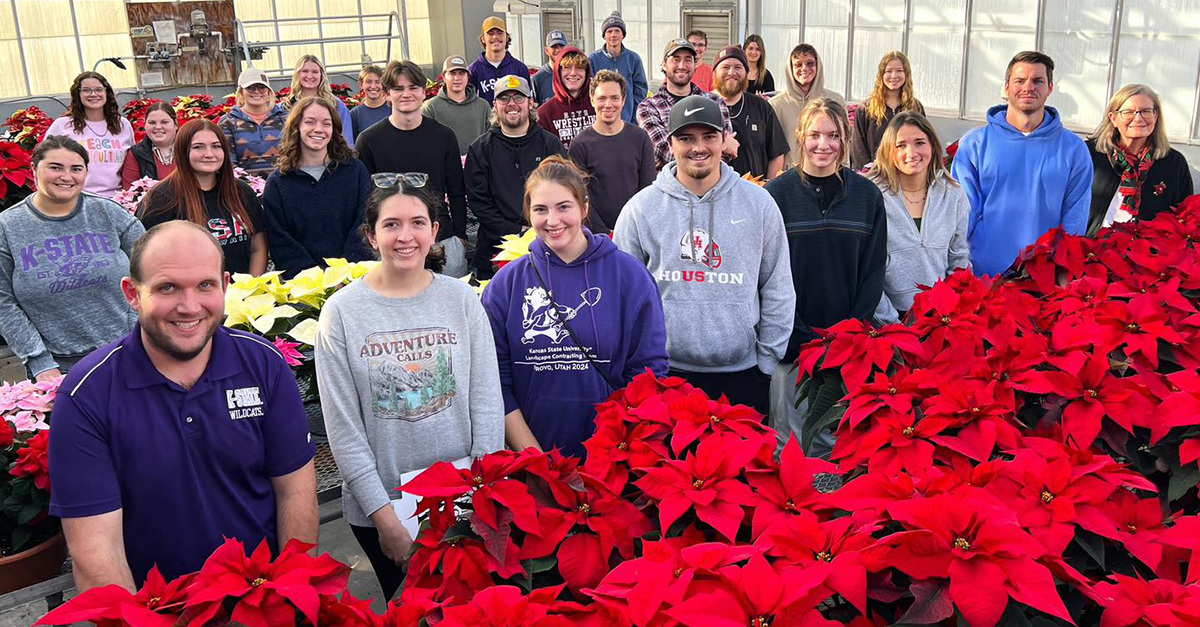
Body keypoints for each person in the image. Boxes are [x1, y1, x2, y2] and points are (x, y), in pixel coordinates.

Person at [48, 220, 318, 591]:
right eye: (167, 287)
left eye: (205, 285)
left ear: (225, 286)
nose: (189, 307)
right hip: (159, 610)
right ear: (132, 293)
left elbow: (296, 493)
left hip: (262, 599)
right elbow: (96, 551)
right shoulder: (87, 395)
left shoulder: (264, 364)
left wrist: (290, 596)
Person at [315, 182, 504, 600]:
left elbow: (487, 401)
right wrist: (385, 520)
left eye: (418, 223)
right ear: (371, 235)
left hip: (462, 501)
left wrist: (478, 495)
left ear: (434, 231)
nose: (406, 236)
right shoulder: (342, 312)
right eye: (392, 224)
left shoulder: (461, 300)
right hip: (384, 509)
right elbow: (343, 429)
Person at [614, 96, 794, 416]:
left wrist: (766, 363)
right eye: (686, 138)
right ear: (670, 143)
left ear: (724, 139)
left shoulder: (759, 205)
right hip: (667, 377)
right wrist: (640, 368)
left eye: (708, 136)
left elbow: (778, 286)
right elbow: (623, 298)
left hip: (743, 376)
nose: (698, 147)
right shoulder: (641, 210)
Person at [482, 157, 668, 458]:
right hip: (533, 459)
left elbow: (649, 370)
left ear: (583, 207)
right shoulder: (507, 283)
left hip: (614, 457)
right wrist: (540, 463)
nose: (552, 220)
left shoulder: (629, 275)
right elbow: (495, 383)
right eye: (540, 209)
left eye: (563, 207)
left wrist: (615, 451)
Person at [764, 98, 886, 454]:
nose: (823, 144)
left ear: (845, 139)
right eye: (815, 134)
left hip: (845, 347)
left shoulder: (866, 197)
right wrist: (795, 334)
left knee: (834, 440)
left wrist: (849, 334)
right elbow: (767, 273)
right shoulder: (776, 196)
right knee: (787, 442)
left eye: (833, 135)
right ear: (800, 136)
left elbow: (873, 271)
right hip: (790, 344)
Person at [0, 135, 144, 380]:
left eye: (76, 169)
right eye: (55, 167)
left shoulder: (108, 212)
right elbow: (3, 302)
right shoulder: (8, 227)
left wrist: (144, 331)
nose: (66, 177)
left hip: (132, 351)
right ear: (34, 169)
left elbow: (153, 270)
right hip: (59, 368)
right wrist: (40, 361)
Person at [951, 51, 1091, 276]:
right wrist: (957, 267)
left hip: (1043, 277)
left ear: (1050, 88)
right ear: (1006, 87)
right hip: (983, 273)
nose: (1028, 87)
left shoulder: (1074, 149)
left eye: (1038, 81)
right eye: (1019, 80)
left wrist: (1061, 271)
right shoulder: (975, 144)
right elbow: (962, 212)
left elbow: (1075, 217)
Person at [357, 61, 470, 278]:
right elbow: (365, 199)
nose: (406, 94)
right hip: (393, 241)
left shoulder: (443, 136)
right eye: (398, 89)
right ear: (387, 94)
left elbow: (456, 189)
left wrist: (459, 235)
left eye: (413, 88)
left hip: (441, 238)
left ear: (423, 93)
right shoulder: (369, 141)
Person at [866, 111, 969, 324]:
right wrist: (894, 324)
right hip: (887, 320)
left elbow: (958, 259)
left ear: (932, 145)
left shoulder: (953, 194)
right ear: (888, 151)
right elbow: (866, 272)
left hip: (938, 318)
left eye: (919, 142)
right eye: (901, 145)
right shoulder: (872, 195)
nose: (911, 152)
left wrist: (950, 314)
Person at [465, 75, 566, 279]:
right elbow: (479, 203)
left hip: (547, 247)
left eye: (518, 98)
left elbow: (565, 194)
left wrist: (539, 229)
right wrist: (517, 231)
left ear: (530, 103)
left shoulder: (550, 145)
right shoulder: (480, 150)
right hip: (494, 255)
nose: (511, 104)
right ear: (495, 105)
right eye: (504, 98)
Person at [262, 97, 373, 278]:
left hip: (353, 280)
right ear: (297, 127)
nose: (318, 129)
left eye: (326, 123)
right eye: (310, 122)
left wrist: (344, 274)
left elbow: (365, 222)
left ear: (334, 129)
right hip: (303, 288)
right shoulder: (278, 183)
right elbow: (280, 240)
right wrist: (316, 280)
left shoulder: (355, 171)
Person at [140, 119, 268, 276]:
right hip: (191, 297)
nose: (209, 154)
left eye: (216, 146)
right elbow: (148, 256)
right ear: (182, 151)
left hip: (243, 295)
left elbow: (258, 247)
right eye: (198, 147)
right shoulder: (163, 198)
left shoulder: (241, 191)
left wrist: (252, 289)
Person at [1085, 84, 1194, 235]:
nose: (1138, 118)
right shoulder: (1089, 154)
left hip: (1148, 254)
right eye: (1128, 112)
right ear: (1113, 118)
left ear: (1156, 116)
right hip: (1092, 248)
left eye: (1146, 111)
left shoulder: (1173, 163)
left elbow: (1186, 216)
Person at [568, 70, 656, 232]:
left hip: (636, 229)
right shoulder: (579, 145)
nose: (608, 104)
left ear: (623, 100)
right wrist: (606, 234)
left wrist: (630, 230)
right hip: (596, 237)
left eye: (614, 98)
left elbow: (647, 190)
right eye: (602, 98)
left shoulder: (640, 138)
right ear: (592, 100)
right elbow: (581, 197)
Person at [637, 38, 736, 171]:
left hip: (713, 188)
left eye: (688, 59)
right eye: (676, 59)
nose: (682, 65)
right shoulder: (649, 108)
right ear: (664, 64)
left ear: (695, 65)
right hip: (671, 188)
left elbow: (728, 153)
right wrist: (717, 150)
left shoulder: (715, 102)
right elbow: (666, 153)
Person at [46, 72, 135, 198]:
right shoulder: (62, 126)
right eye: (86, 90)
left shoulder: (123, 125)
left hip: (117, 200)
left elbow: (131, 163)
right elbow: (44, 163)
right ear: (78, 94)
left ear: (106, 93)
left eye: (99, 89)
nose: (93, 94)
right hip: (76, 199)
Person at [712, 45, 788, 180]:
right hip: (711, 194)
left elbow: (776, 154)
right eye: (725, 67)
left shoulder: (762, 107)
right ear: (714, 73)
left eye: (738, 67)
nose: (731, 72)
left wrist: (768, 189)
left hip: (753, 192)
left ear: (746, 74)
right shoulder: (703, 107)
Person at [770, 44, 845, 169]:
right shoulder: (776, 105)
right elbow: (772, 148)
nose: (804, 68)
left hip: (827, 171)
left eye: (810, 63)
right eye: (798, 64)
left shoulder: (835, 101)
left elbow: (844, 139)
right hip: (788, 173)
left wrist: (843, 168)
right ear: (790, 68)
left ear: (818, 66)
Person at [851, 51, 925, 170]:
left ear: (906, 74)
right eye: (888, 71)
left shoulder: (915, 107)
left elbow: (923, 141)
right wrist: (867, 173)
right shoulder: (866, 108)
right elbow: (857, 146)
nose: (894, 76)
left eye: (899, 71)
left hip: (906, 172)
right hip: (875, 174)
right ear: (881, 75)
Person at [218, 67, 289, 178]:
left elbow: (294, 154)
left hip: (283, 185)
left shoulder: (285, 118)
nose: (256, 91)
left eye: (262, 87)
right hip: (245, 189)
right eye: (250, 88)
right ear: (241, 92)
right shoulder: (228, 122)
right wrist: (248, 184)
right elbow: (228, 162)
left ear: (268, 91)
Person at [422, 55, 492, 156]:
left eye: (462, 73)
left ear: (468, 77)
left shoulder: (483, 106)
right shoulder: (430, 107)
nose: (457, 78)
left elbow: (491, 139)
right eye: (452, 73)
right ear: (443, 77)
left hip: (478, 166)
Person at [588, 12, 648, 123]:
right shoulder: (593, 59)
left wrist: (634, 118)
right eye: (609, 31)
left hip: (628, 121)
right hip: (601, 121)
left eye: (617, 31)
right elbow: (589, 91)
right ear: (604, 36)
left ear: (623, 35)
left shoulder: (633, 59)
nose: (613, 35)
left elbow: (640, 90)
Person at [285, 54, 355, 146]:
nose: (310, 76)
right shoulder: (287, 106)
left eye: (315, 72)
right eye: (305, 71)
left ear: (322, 75)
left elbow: (347, 141)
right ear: (297, 74)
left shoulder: (336, 105)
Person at [536, 46, 595, 149]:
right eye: (567, 67)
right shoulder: (544, 114)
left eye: (579, 67)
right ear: (558, 72)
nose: (573, 73)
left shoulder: (599, 107)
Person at [468, 16, 531, 106]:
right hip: (485, 120)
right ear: (483, 38)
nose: (495, 37)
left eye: (500, 33)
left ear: (507, 37)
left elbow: (528, 101)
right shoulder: (473, 71)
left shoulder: (520, 69)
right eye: (490, 33)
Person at [120, 102, 178, 189]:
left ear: (176, 124)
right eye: (152, 122)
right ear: (145, 125)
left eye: (164, 122)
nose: (158, 127)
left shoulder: (189, 149)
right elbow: (130, 193)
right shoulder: (136, 154)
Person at [350, 65, 390, 137]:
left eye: (378, 82)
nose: (373, 86)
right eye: (369, 82)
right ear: (361, 84)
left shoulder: (393, 109)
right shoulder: (355, 115)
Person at [532, 30, 568, 105]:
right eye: (554, 47)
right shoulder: (538, 79)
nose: (558, 50)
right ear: (546, 50)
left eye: (561, 46)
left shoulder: (574, 75)